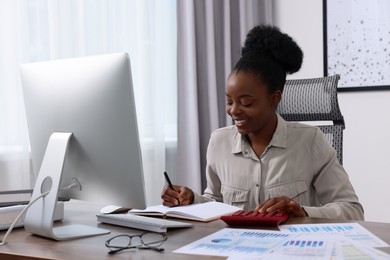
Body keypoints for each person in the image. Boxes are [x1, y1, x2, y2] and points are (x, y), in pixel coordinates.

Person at [161, 25, 364, 220]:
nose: (233, 111)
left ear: (274, 98)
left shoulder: (310, 141)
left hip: (290, 249)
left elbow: (352, 210)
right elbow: (216, 202)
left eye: (246, 102)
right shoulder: (219, 142)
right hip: (235, 249)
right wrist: (191, 200)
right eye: (229, 101)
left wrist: (301, 211)